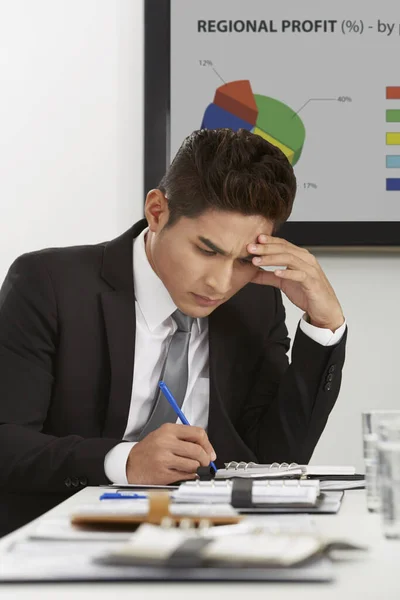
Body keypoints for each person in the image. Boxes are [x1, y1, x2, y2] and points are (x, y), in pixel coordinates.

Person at [0, 128, 346, 536]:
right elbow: (7, 441)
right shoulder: (48, 283)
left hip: (206, 540)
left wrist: (324, 326)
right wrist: (124, 461)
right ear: (157, 211)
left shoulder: (254, 303)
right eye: (207, 250)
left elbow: (275, 460)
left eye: (243, 261)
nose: (220, 283)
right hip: (60, 538)